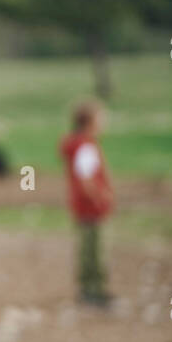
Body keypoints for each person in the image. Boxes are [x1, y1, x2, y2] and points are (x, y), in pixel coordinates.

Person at [58, 98, 115, 307]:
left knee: (88, 248)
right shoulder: (85, 147)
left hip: (83, 207)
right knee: (94, 249)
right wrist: (101, 197)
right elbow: (86, 179)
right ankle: (94, 289)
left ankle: (89, 288)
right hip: (91, 208)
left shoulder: (79, 145)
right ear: (89, 122)